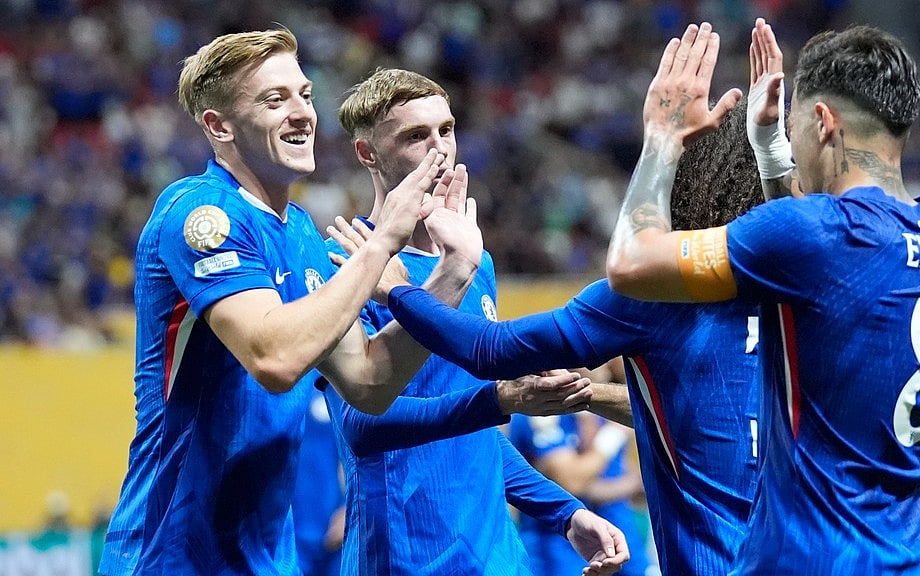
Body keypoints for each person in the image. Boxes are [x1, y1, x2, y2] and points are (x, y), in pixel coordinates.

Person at [99, 29, 481, 575]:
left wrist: (452, 276)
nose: (302, 113)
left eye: (304, 94)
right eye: (274, 100)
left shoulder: (301, 233)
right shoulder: (198, 214)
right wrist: (383, 243)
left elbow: (369, 381)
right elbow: (275, 359)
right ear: (219, 126)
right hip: (172, 555)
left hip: (267, 560)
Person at [604, 19, 920, 574]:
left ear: (824, 122)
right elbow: (812, 270)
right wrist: (772, 158)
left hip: (818, 557)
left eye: (795, 122)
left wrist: (660, 136)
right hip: (919, 556)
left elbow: (630, 264)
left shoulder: (819, 235)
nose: (792, 138)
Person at [384, 96, 767, 573]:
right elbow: (696, 415)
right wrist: (589, 396)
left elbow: (490, 350)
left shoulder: (654, 296)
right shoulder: (793, 293)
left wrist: (401, 291)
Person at [324, 67, 630, 576]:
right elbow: (360, 428)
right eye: (415, 136)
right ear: (366, 153)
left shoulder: (473, 258)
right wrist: (499, 399)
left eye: (446, 129)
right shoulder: (347, 262)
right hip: (405, 556)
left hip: (496, 556)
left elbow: (476, 437)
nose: (440, 148)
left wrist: (567, 512)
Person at [508, 409, 651, 576]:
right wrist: (612, 438)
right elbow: (572, 482)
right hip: (558, 552)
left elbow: (620, 477)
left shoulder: (601, 414)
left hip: (622, 546)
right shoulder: (541, 411)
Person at [291, 395, 345, 576]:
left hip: (331, 528)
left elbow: (359, 446)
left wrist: (351, 507)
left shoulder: (335, 377)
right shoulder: (266, 376)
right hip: (284, 532)